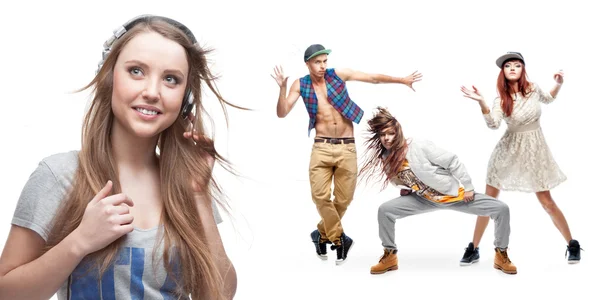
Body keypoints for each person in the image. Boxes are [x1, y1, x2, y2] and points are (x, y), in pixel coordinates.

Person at [0, 15, 241, 299]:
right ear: (108, 75)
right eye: (136, 71)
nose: (152, 92)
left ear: (186, 97)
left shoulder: (186, 184)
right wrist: (79, 241)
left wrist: (199, 195)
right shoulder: (59, 175)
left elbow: (219, 295)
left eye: (170, 79)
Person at [271, 44, 422, 265]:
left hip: (347, 147)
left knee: (344, 199)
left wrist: (401, 80)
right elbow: (282, 113)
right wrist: (282, 89)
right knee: (320, 197)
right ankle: (340, 239)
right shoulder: (300, 84)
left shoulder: (337, 76)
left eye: (324, 61)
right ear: (307, 64)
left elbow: (372, 78)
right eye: (317, 62)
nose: (322, 66)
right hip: (321, 147)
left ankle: (321, 234)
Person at [359, 107, 517, 275]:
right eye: (383, 135)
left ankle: (501, 255)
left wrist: (469, 187)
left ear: (398, 131)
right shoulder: (387, 157)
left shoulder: (419, 146)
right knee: (385, 211)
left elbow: (452, 161)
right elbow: (395, 179)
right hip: (422, 199)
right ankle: (389, 256)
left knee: (501, 209)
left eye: (390, 133)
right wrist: (404, 188)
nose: (386, 138)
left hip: (454, 197)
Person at [460, 51, 582, 265]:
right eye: (508, 66)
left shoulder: (533, 89)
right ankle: (474, 248)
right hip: (507, 151)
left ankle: (572, 243)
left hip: (534, 151)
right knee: (488, 202)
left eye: (517, 65)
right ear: (503, 72)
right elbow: (493, 124)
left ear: (523, 69)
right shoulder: (501, 98)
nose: (513, 68)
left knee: (547, 201)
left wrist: (558, 84)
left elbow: (549, 98)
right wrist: (482, 103)